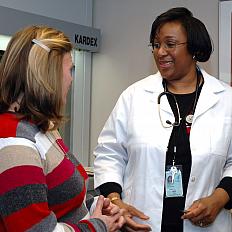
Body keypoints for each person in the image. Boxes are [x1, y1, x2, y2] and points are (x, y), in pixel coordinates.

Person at [93, 7, 232, 232]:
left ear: (194, 48)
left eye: (170, 44)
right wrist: (116, 201)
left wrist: (218, 199)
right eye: (156, 45)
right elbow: (109, 153)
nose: (160, 52)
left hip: (205, 225)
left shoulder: (226, 100)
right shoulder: (135, 96)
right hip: (142, 223)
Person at [0, 25, 125, 232]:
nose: (71, 79)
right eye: (70, 69)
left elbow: (65, 198)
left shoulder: (42, 128)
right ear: (50, 76)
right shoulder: (14, 143)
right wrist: (98, 226)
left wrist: (95, 206)